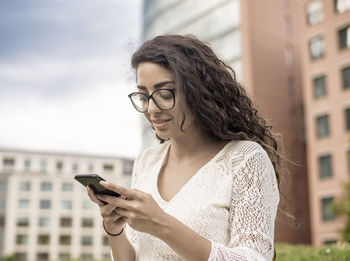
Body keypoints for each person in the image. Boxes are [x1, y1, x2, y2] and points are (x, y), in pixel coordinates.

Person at [87, 34, 281, 261]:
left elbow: (255, 258)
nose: (151, 109)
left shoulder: (244, 159)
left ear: (198, 91)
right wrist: (114, 228)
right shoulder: (146, 162)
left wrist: (161, 224)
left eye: (165, 94)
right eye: (143, 96)